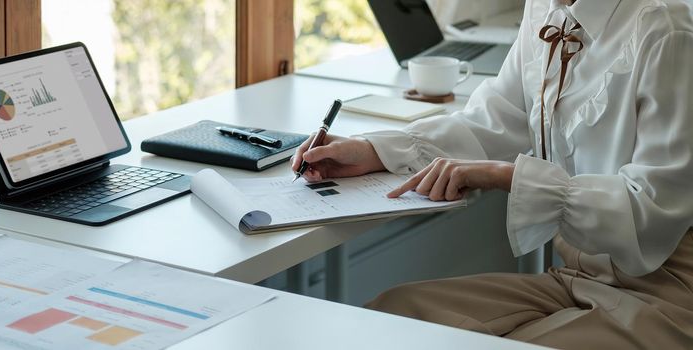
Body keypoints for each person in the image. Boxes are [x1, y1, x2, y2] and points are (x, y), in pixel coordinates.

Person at [291, 0, 693, 348]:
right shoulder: (544, 9)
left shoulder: (667, 30)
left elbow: (649, 214)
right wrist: (374, 150)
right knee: (392, 317)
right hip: (573, 277)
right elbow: (495, 118)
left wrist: (505, 176)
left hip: (665, 295)